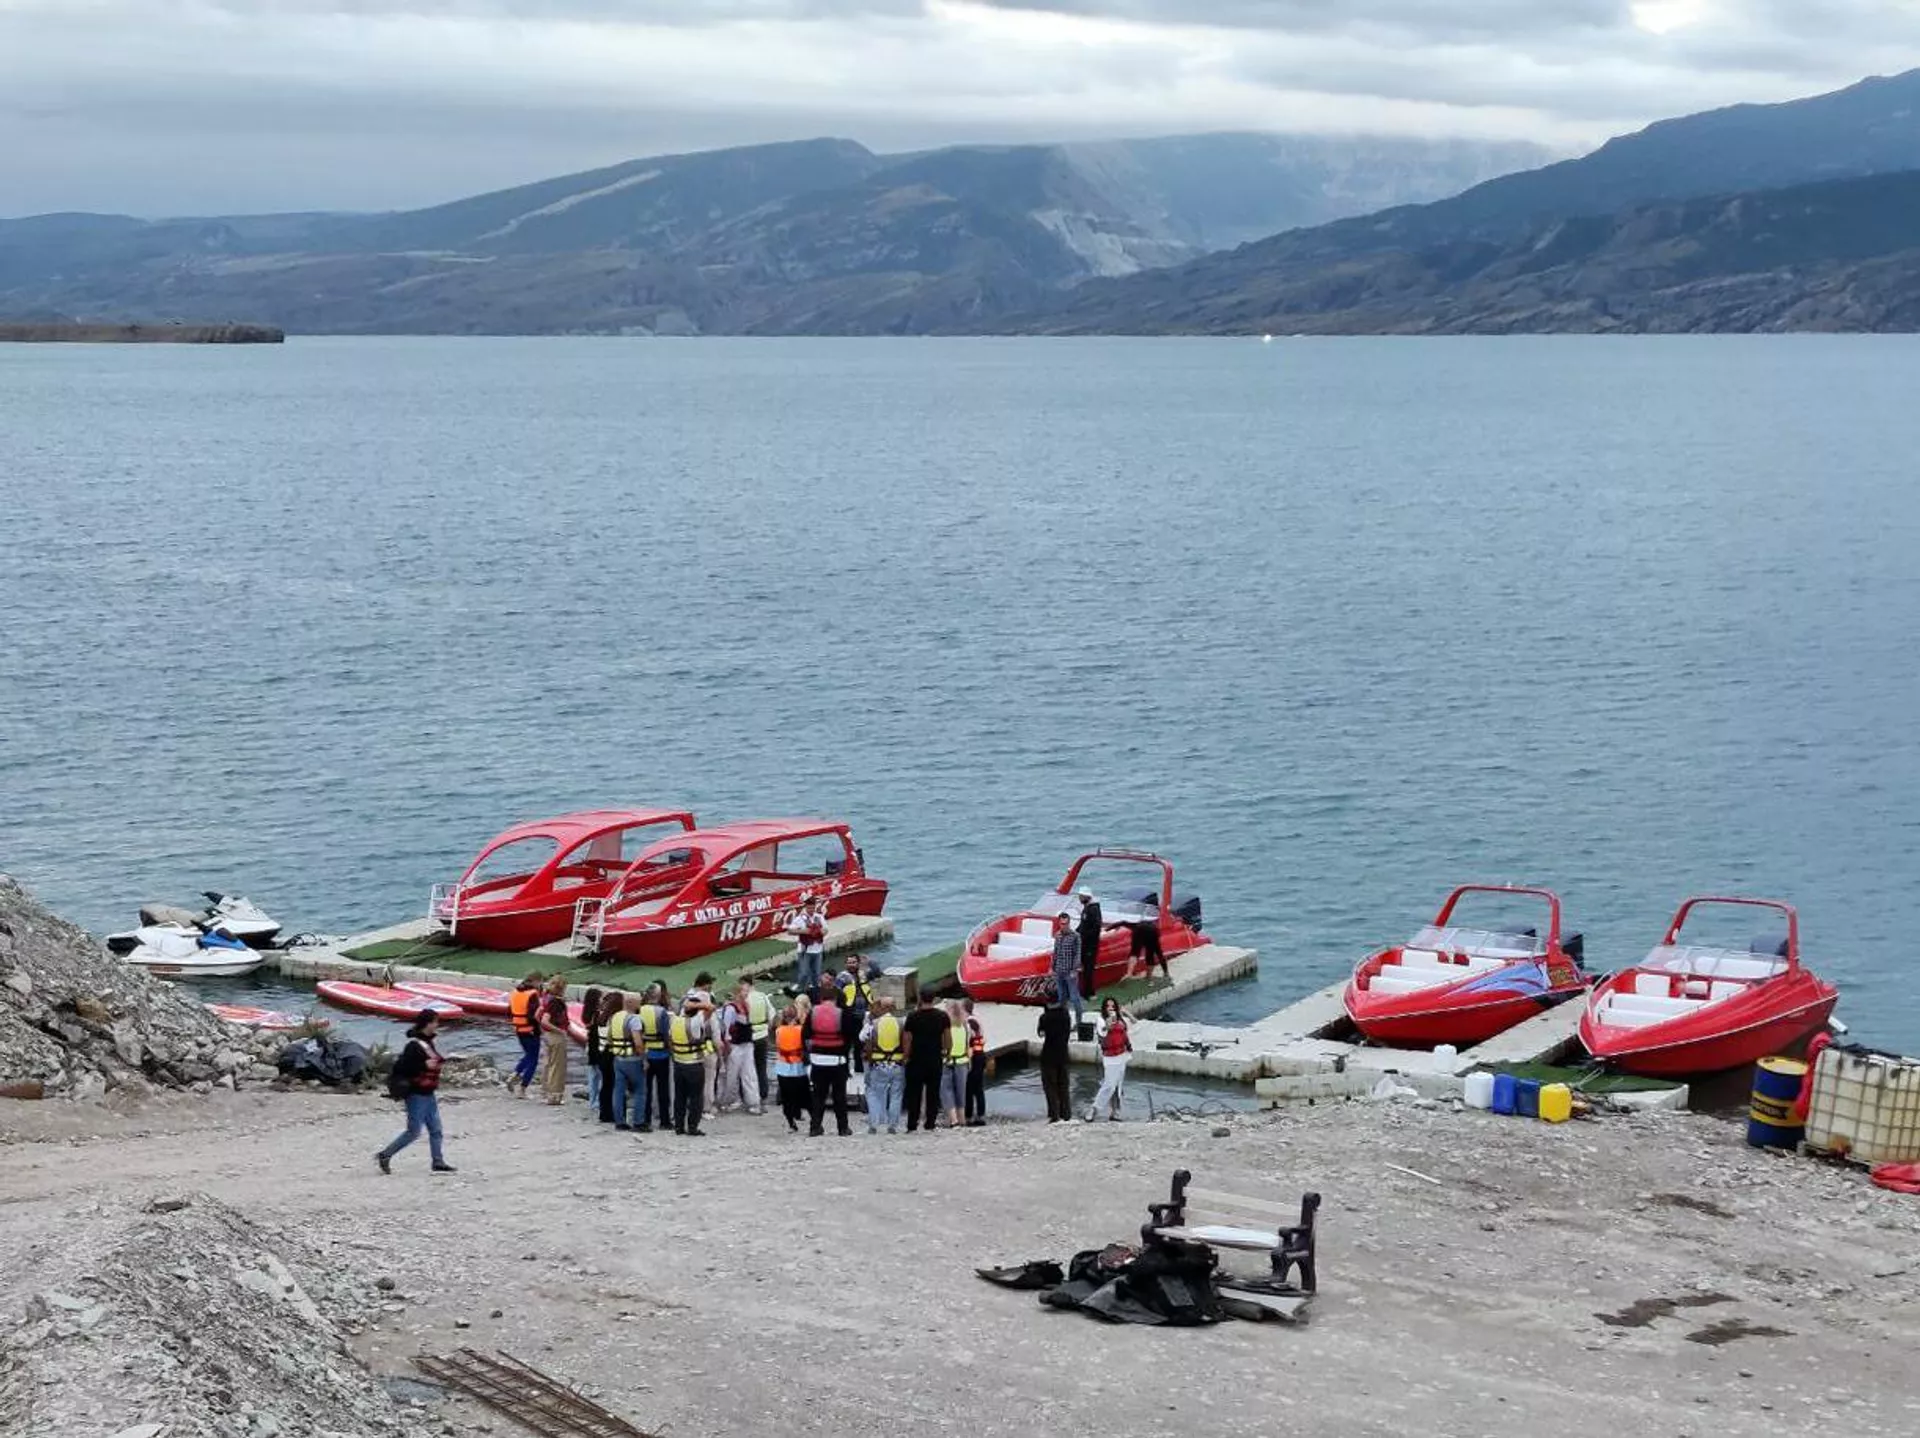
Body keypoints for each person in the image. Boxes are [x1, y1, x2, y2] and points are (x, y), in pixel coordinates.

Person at [376, 1011, 455, 1174]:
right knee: (413, 1131)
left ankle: (438, 1161)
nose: (437, 1025)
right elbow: (402, 1068)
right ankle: (385, 1155)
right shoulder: (413, 1046)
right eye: (435, 1022)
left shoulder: (428, 1043)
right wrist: (424, 1065)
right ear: (428, 1024)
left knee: (436, 1129)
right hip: (416, 1094)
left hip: (428, 1092)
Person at [804, 979, 852, 1136]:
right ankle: (843, 1128)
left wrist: (810, 1052)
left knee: (818, 1096)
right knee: (839, 1096)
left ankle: (815, 1127)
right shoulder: (841, 1014)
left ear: (820, 998)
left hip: (818, 1059)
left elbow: (805, 1035)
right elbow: (848, 1037)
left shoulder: (813, 1012)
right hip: (837, 1060)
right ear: (836, 999)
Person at [860, 995, 905, 1134]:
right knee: (896, 1095)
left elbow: (864, 1039)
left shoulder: (873, 1024)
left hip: (879, 1063)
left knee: (874, 1093)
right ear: (893, 1007)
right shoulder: (901, 1023)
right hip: (897, 1063)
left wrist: (869, 1058)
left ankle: (874, 1124)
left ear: (882, 1007)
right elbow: (906, 1042)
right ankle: (893, 1125)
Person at [717, 985, 762, 1116]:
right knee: (732, 1075)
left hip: (747, 1044)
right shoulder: (731, 1008)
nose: (747, 993)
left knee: (750, 1074)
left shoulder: (747, 1006)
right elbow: (726, 1028)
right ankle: (728, 1101)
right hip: (735, 1046)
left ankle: (754, 1102)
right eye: (744, 991)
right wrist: (727, 1045)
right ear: (737, 993)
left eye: (747, 990)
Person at [635, 981, 673, 1132]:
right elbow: (665, 1034)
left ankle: (646, 1118)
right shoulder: (661, 1012)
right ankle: (664, 1120)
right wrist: (670, 1049)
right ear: (658, 995)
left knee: (646, 1089)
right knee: (663, 1089)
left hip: (645, 1053)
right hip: (661, 1054)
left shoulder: (640, 1011)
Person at [1087, 997, 1133, 1122]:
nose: (1111, 1009)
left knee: (1118, 1086)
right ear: (1104, 1008)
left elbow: (1130, 1026)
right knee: (1109, 1085)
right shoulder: (1101, 1020)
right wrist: (1109, 1023)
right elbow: (1102, 1032)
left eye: (1113, 1006)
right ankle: (1094, 1108)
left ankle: (1115, 1111)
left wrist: (1126, 1012)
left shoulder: (1120, 1019)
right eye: (1108, 1006)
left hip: (1122, 1054)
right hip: (1110, 1057)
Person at [668, 998, 708, 1136]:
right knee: (696, 1098)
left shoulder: (674, 1021)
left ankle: (679, 1126)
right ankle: (692, 1127)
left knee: (680, 1097)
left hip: (678, 1063)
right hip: (694, 1065)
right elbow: (711, 1008)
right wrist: (698, 1004)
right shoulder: (696, 1022)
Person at [608, 992, 647, 1131]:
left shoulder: (615, 1017)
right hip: (633, 1059)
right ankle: (638, 1122)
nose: (640, 1004)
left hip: (618, 1059)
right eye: (638, 1002)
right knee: (640, 1091)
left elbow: (609, 1037)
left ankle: (619, 1121)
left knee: (618, 1090)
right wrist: (644, 1059)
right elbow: (638, 1042)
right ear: (631, 1003)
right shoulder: (634, 1019)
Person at [1036, 982, 1073, 1122]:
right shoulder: (1066, 1016)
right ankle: (1066, 1114)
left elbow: (1041, 1033)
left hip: (1048, 1055)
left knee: (1050, 1086)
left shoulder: (1044, 1018)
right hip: (1063, 1054)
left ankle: (1054, 1114)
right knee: (1064, 1085)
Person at [684, 973, 719, 1111]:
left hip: (689, 1051)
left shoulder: (686, 1004)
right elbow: (715, 1032)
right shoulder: (706, 1012)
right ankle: (706, 1107)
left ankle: (693, 1105)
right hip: (706, 1049)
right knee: (709, 1080)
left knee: (692, 1081)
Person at [772, 1004, 810, 1132]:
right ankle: (814, 1121)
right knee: (804, 1094)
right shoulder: (801, 1029)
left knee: (786, 1097)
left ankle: (791, 1123)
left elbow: (777, 1046)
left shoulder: (779, 1030)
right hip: (798, 1066)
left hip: (783, 1067)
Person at [506, 973, 544, 1097]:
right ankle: (523, 1088)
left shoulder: (514, 992)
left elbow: (509, 1011)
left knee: (528, 1055)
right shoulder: (532, 994)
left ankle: (515, 1073)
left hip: (519, 1028)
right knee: (533, 1060)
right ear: (536, 981)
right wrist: (540, 1029)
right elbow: (534, 1015)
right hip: (531, 1030)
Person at [739, 975, 775, 1104]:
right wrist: (766, 1030)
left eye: (741, 985)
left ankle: (747, 1096)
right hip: (762, 1035)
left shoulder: (743, 999)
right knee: (761, 1066)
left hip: (749, 1036)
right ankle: (763, 1094)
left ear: (745, 984)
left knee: (747, 1069)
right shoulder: (763, 996)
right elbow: (771, 1015)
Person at [537, 975, 571, 1106]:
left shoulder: (545, 998)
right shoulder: (556, 1002)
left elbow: (537, 1015)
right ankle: (555, 1095)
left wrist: (542, 1030)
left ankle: (545, 1091)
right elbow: (545, 1020)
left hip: (547, 1035)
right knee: (557, 1066)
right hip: (556, 1035)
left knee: (547, 1063)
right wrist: (560, 1031)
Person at [840, 957, 874, 1079]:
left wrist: (869, 962)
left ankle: (859, 1068)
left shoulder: (863, 975)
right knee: (846, 1044)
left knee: (860, 1044)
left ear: (858, 963)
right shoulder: (842, 977)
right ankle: (844, 1070)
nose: (851, 965)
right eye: (849, 962)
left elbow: (877, 972)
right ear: (845, 964)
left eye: (854, 962)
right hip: (849, 1015)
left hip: (863, 1015)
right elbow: (837, 993)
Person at [938, 1000, 969, 1129]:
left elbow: (941, 1044)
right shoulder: (965, 1026)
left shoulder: (945, 1027)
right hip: (962, 1062)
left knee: (946, 1090)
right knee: (961, 1091)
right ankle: (962, 1119)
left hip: (947, 1061)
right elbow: (967, 1045)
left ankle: (953, 1120)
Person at [1123, 896, 1170, 980]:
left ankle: (1129, 973)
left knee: (1134, 953)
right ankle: (1153, 975)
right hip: (1151, 932)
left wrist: (1109, 929)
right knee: (1154, 954)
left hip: (1140, 929)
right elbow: (1159, 955)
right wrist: (1166, 972)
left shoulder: (1138, 919)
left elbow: (1123, 923)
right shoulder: (1156, 915)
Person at [1050, 911, 1083, 1029]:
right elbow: (1055, 952)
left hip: (1070, 972)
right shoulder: (1058, 935)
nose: (1064, 926)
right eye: (1062, 924)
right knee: (1061, 998)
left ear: (1069, 923)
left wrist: (1075, 969)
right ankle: (1064, 1022)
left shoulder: (1075, 936)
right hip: (1059, 970)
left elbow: (1077, 954)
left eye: (1066, 924)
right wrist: (1052, 967)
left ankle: (1079, 1023)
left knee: (1074, 998)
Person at [788, 896, 827, 993]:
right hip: (804, 950)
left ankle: (815, 990)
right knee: (804, 973)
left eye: (813, 908)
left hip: (817, 949)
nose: (811, 910)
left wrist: (820, 931)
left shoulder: (819, 917)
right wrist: (805, 931)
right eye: (809, 908)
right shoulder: (800, 919)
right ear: (805, 907)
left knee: (817, 973)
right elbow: (790, 930)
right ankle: (800, 989)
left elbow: (826, 929)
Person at [962, 997, 988, 1127]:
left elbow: (969, 1043)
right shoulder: (978, 1020)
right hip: (981, 1054)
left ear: (963, 1009)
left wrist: (968, 1060)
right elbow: (984, 1039)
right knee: (979, 1088)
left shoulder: (968, 1023)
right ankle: (981, 1114)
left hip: (973, 1057)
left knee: (969, 1088)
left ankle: (969, 1116)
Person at [1076, 887, 1103, 1002]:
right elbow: (1082, 925)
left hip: (1090, 945)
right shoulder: (1086, 909)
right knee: (1083, 968)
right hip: (1084, 944)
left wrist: (1084, 936)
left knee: (1088, 969)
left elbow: (1096, 927)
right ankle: (1084, 991)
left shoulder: (1093, 909)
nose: (1079, 898)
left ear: (1086, 897)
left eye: (1081, 896)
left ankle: (1089, 993)